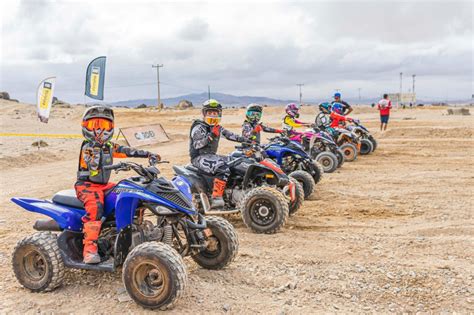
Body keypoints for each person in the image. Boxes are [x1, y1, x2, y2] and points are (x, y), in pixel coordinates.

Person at [76, 106, 160, 264]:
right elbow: (92, 164)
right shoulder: (88, 148)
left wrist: (147, 154)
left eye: (104, 126)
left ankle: (134, 228)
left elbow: (125, 150)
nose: (99, 130)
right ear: (86, 127)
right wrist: (98, 152)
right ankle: (89, 248)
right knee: (95, 207)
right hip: (86, 186)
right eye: (95, 125)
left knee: (128, 191)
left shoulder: (109, 146)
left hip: (103, 185)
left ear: (111, 128)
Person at [189, 99, 247, 209]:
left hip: (211, 155)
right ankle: (216, 198)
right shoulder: (198, 127)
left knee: (236, 162)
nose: (213, 115)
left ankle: (231, 194)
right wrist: (210, 136)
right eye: (210, 113)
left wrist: (246, 140)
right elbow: (197, 145)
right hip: (199, 157)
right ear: (204, 113)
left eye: (215, 113)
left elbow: (231, 135)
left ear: (219, 113)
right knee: (223, 168)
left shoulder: (217, 127)